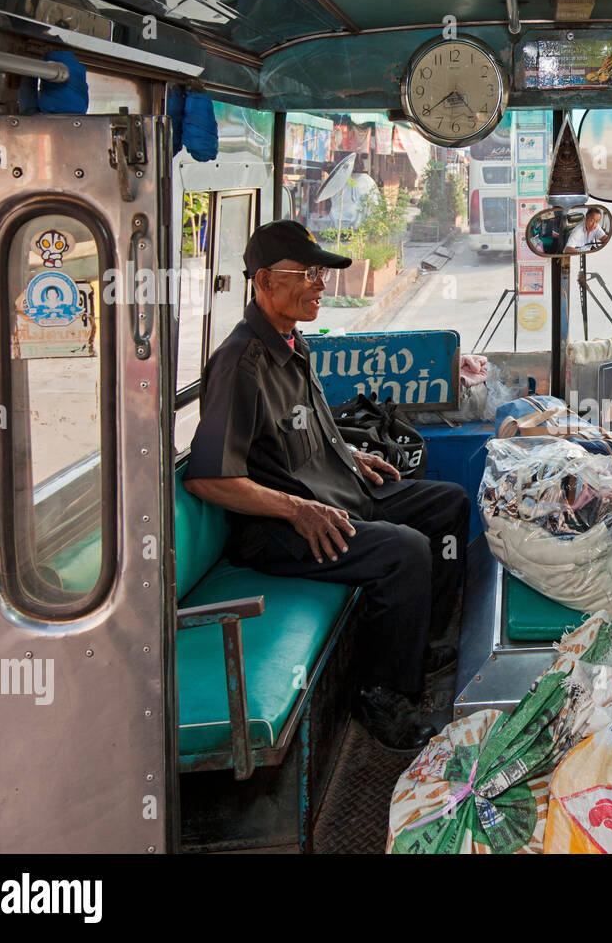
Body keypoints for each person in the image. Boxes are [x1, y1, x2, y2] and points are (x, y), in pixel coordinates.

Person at [183, 220, 470, 753]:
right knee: (404, 551)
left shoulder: (293, 343)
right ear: (265, 281)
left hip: (334, 493)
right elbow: (207, 477)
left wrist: (352, 454)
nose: (321, 284)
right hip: (277, 528)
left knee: (447, 504)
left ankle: (420, 640)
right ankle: (383, 693)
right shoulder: (240, 364)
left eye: (321, 273)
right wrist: (296, 510)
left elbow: (304, 429)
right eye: (308, 274)